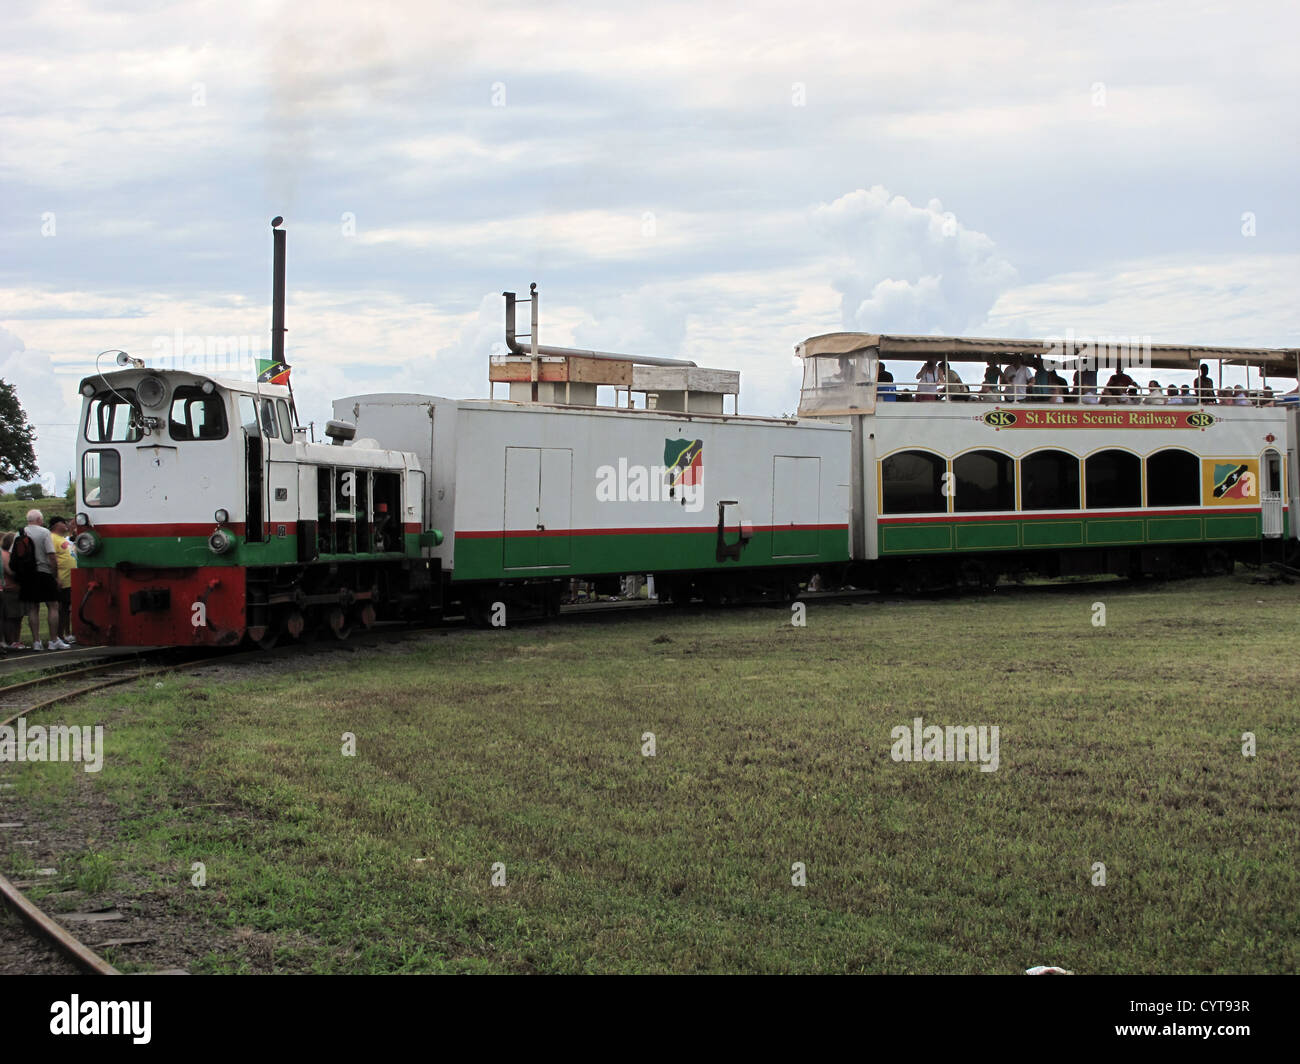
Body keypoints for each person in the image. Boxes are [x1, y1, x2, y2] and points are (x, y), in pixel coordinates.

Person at [16, 510, 68, 651]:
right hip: (44, 572)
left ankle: (36, 642)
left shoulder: (20, 533)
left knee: (33, 608)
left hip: (27, 576)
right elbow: (51, 555)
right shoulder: (44, 532)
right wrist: (55, 575)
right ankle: (53, 640)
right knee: (53, 606)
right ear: (39, 519)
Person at [49, 516, 77, 644]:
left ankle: (66, 633)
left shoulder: (61, 539)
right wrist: (56, 577)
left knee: (67, 608)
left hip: (70, 579)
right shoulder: (52, 538)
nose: (66, 524)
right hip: (62, 579)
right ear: (55, 525)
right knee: (62, 608)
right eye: (63, 522)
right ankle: (59, 635)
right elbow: (51, 558)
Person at [1, 532, 25, 649]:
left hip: (17, 589)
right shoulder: (4, 555)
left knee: (18, 617)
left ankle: (17, 639)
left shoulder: (12, 554)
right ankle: (11, 640)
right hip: (9, 589)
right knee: (11, 617)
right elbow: (10, 571)